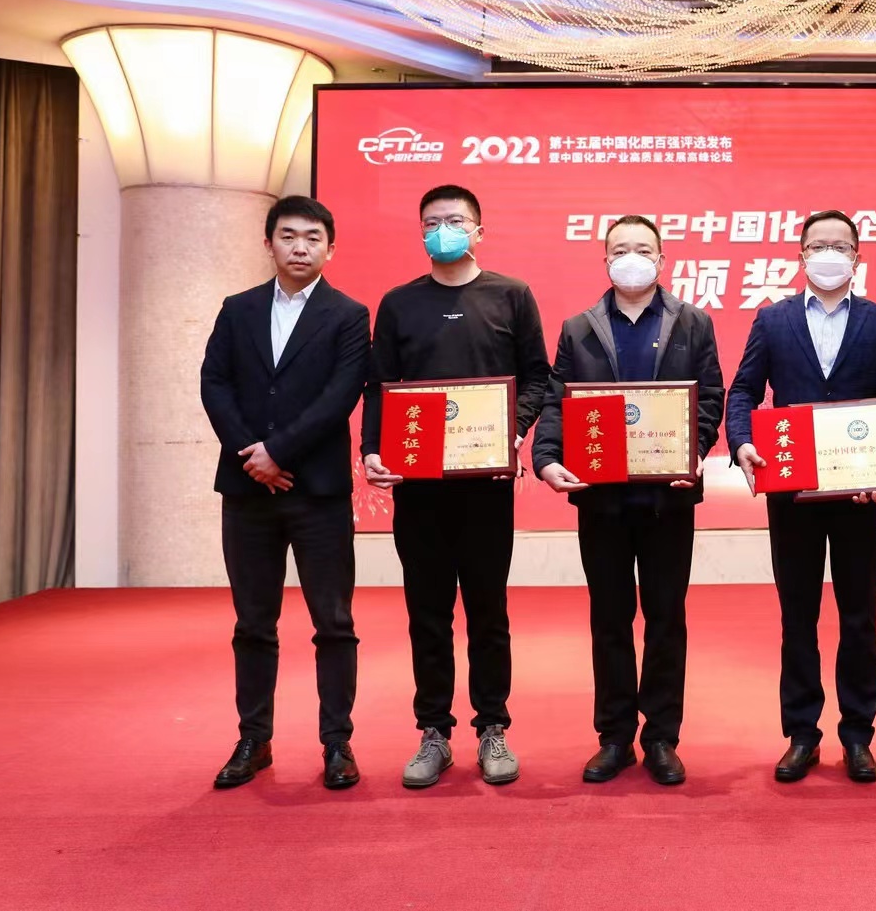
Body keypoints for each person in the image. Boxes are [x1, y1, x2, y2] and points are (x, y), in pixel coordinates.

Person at [360, 184, 550, 789]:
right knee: (427, 613)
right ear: (420, 232)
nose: (444, 230)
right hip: (418, 488)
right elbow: (379, 385)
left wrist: (513, 432)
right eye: (432, 222)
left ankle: (493, 726)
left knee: (489, 612)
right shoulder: (398, 303)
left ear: (479, 231)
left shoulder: (512, 295)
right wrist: (371, 450)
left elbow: (538, 378)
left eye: (456, 220)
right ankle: (434, 732)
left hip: (486, 486)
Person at [532, 216, 725, 786]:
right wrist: (547, 458)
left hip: (669, 498)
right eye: (620, 250)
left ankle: (661, 736)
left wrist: (696, 451)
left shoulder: (693, 322)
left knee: (666, 618)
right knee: (610, 618)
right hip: (603, 502)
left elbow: (709, 398)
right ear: (606, 261)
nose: (631, 258)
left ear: (662, 260)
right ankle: (614, 736)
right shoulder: (579, 328)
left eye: (643, 249)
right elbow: (558, 400)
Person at [726, 210, 876, 784]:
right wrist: (742, 442)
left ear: (857, 256)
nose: (830, 254)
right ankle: (802, 733)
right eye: (818, 245)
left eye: (841, 245)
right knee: (797, 615)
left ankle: (858, 735)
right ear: (801, 255)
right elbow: (743, 390)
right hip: (792, 489)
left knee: (860, 616)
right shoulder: (773, 319)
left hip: (858, 494)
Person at [199, 195, 371, 791]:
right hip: (248, 490)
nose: (301, 247)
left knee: (334, 622)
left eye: (313, 238)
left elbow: (341, 395)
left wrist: (280, 453)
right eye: (289, 236)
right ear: (268, 242)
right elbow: (214, 383)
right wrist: (253, 456)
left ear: (330, 248)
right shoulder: (238, 309)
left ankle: (337, 742)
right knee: (253, 622)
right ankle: (254, 739)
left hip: (318, 492)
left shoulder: (348, 315)